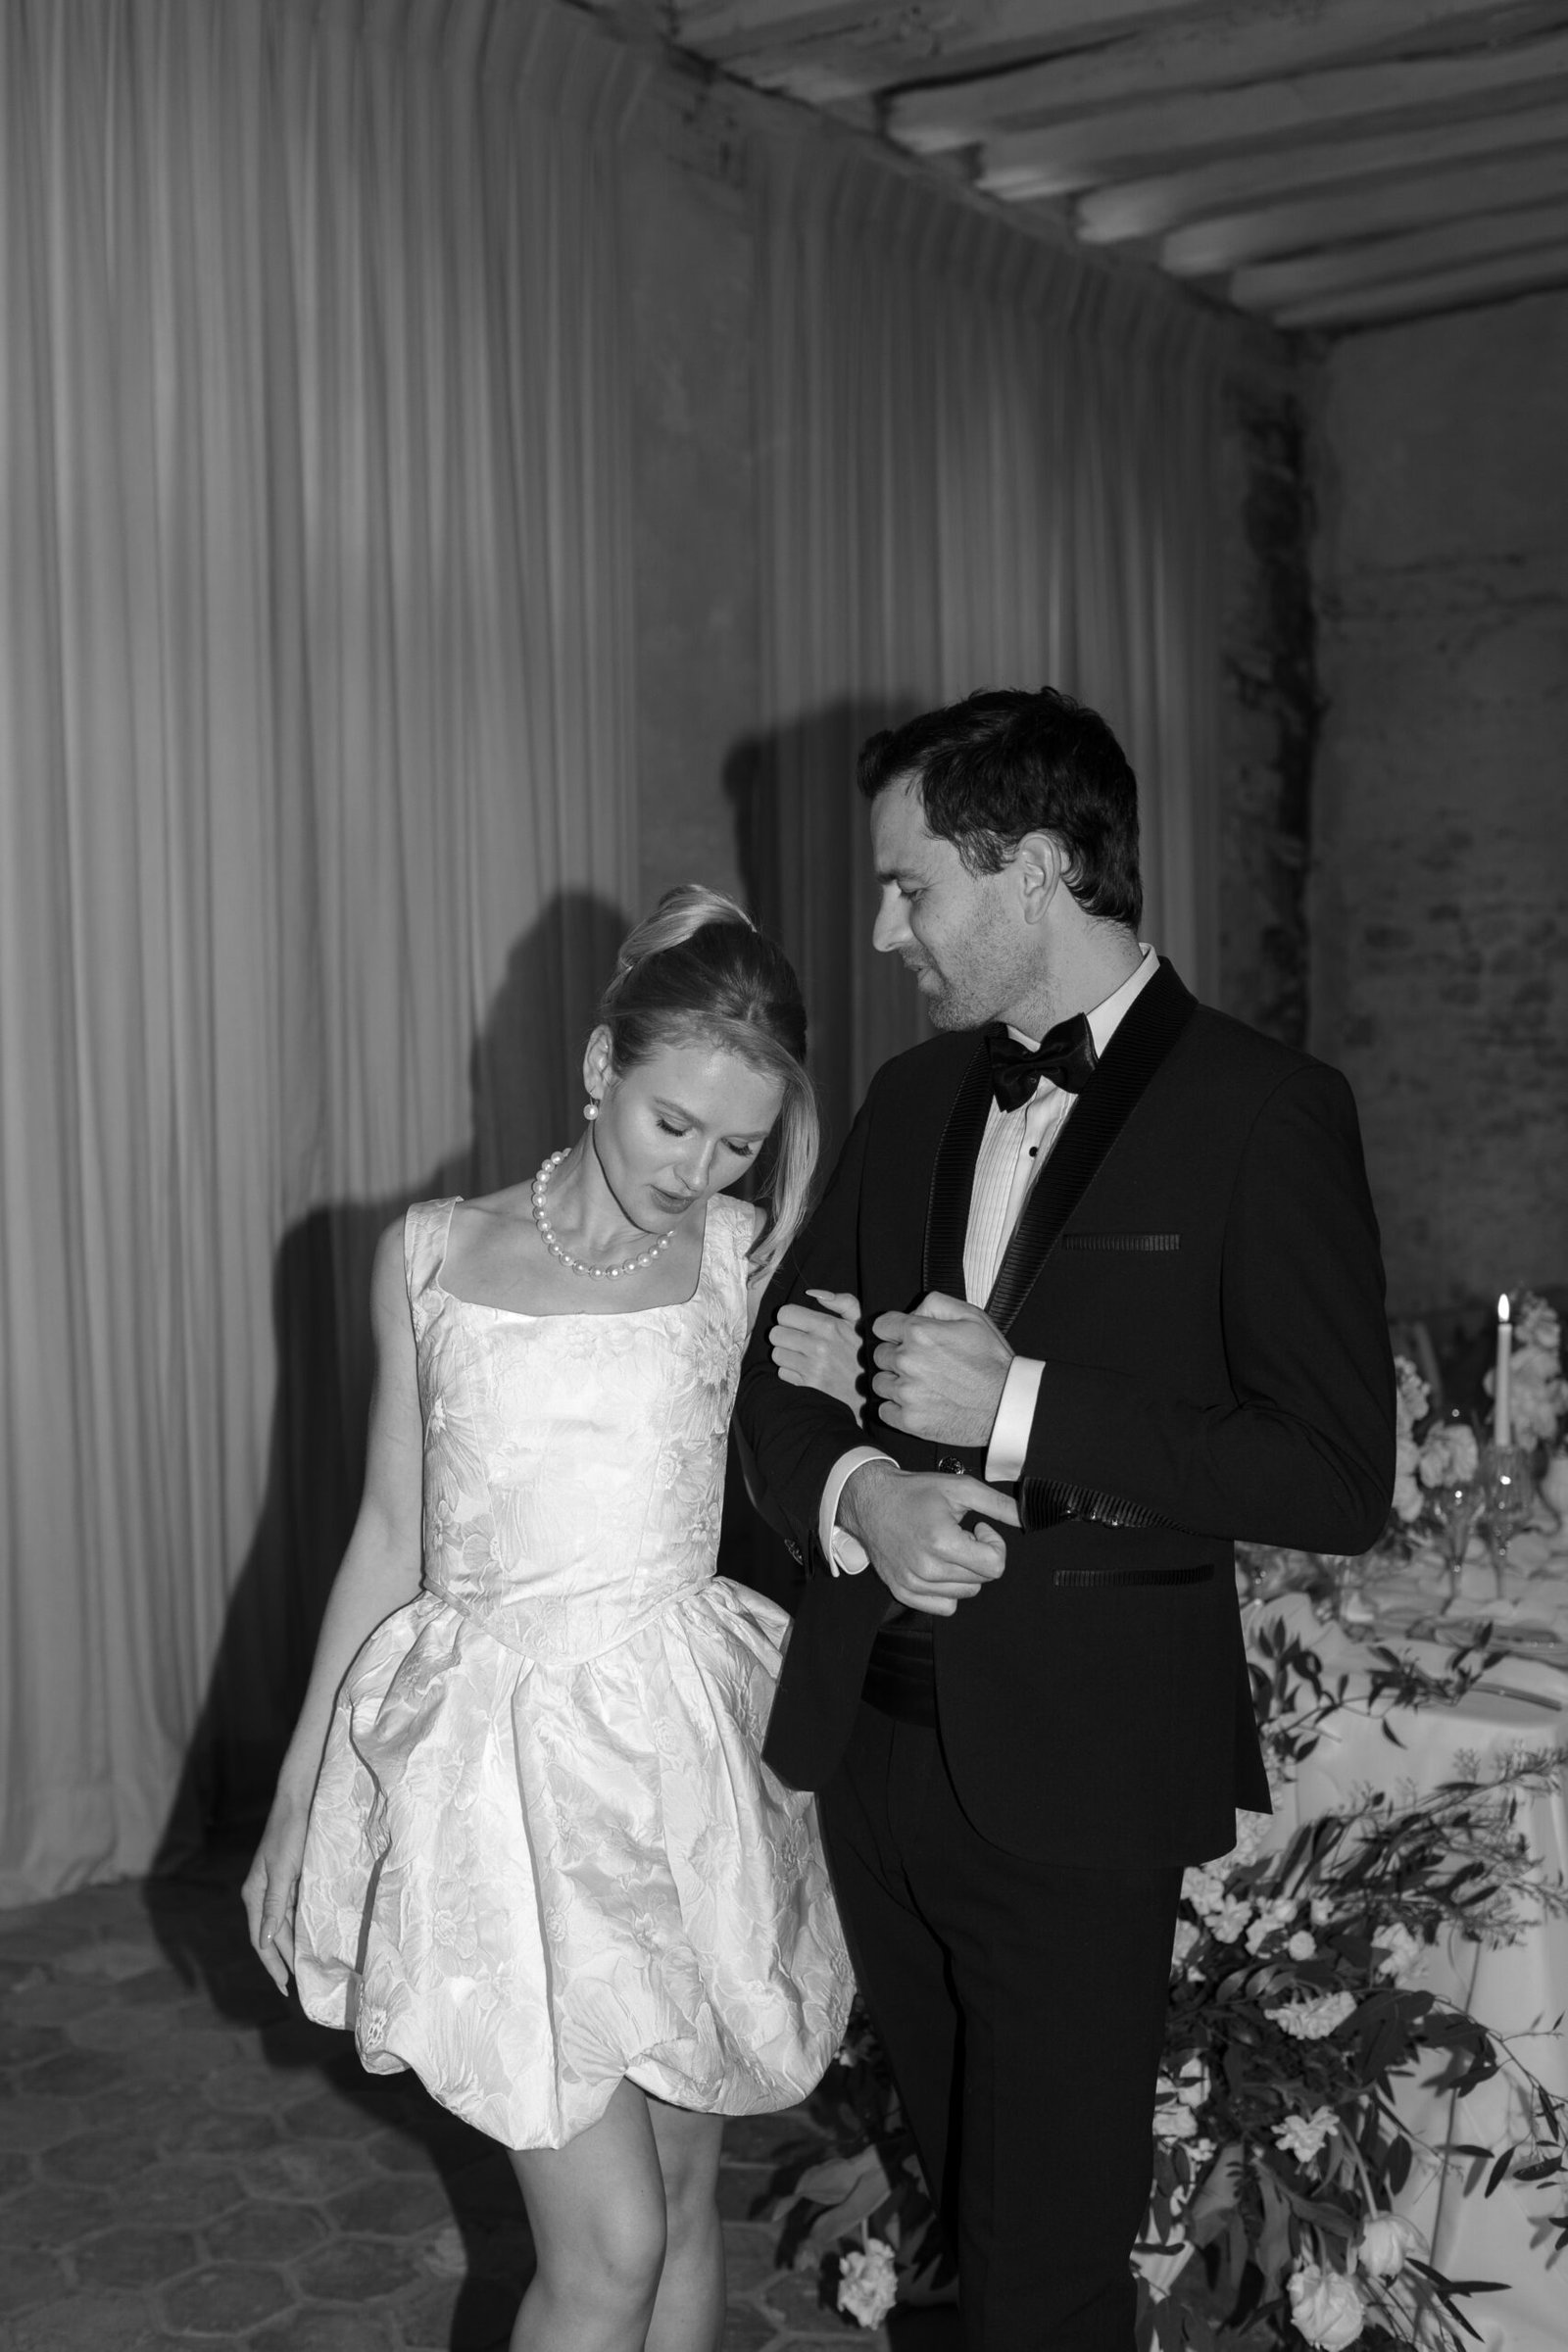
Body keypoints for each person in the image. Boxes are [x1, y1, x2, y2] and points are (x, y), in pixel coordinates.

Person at [736, 689, 1396, 2351]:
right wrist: (865, 1490)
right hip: (876, 1757)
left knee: (1047, 2277)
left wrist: (1017, 1403)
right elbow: (771, 1382)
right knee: (965, 2232)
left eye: (913, 888)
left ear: (1032, 869)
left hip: (1085, 1780)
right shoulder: (906, 1099)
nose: (885, 930)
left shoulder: (1266, 1110)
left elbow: (1333, 1473)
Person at [243, 887, 853, 2352]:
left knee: (690, 2184)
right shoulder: (430, 1253)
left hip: (675, 1768)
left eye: (739, 1145)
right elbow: (392, 1533)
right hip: (499, 1777)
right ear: (599, 1069)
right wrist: (293, 1793)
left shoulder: (740, 1257)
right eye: (672, 1126)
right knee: (610, 2243)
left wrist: (854, 1394)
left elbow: (813, 1451)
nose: (698, 1170)